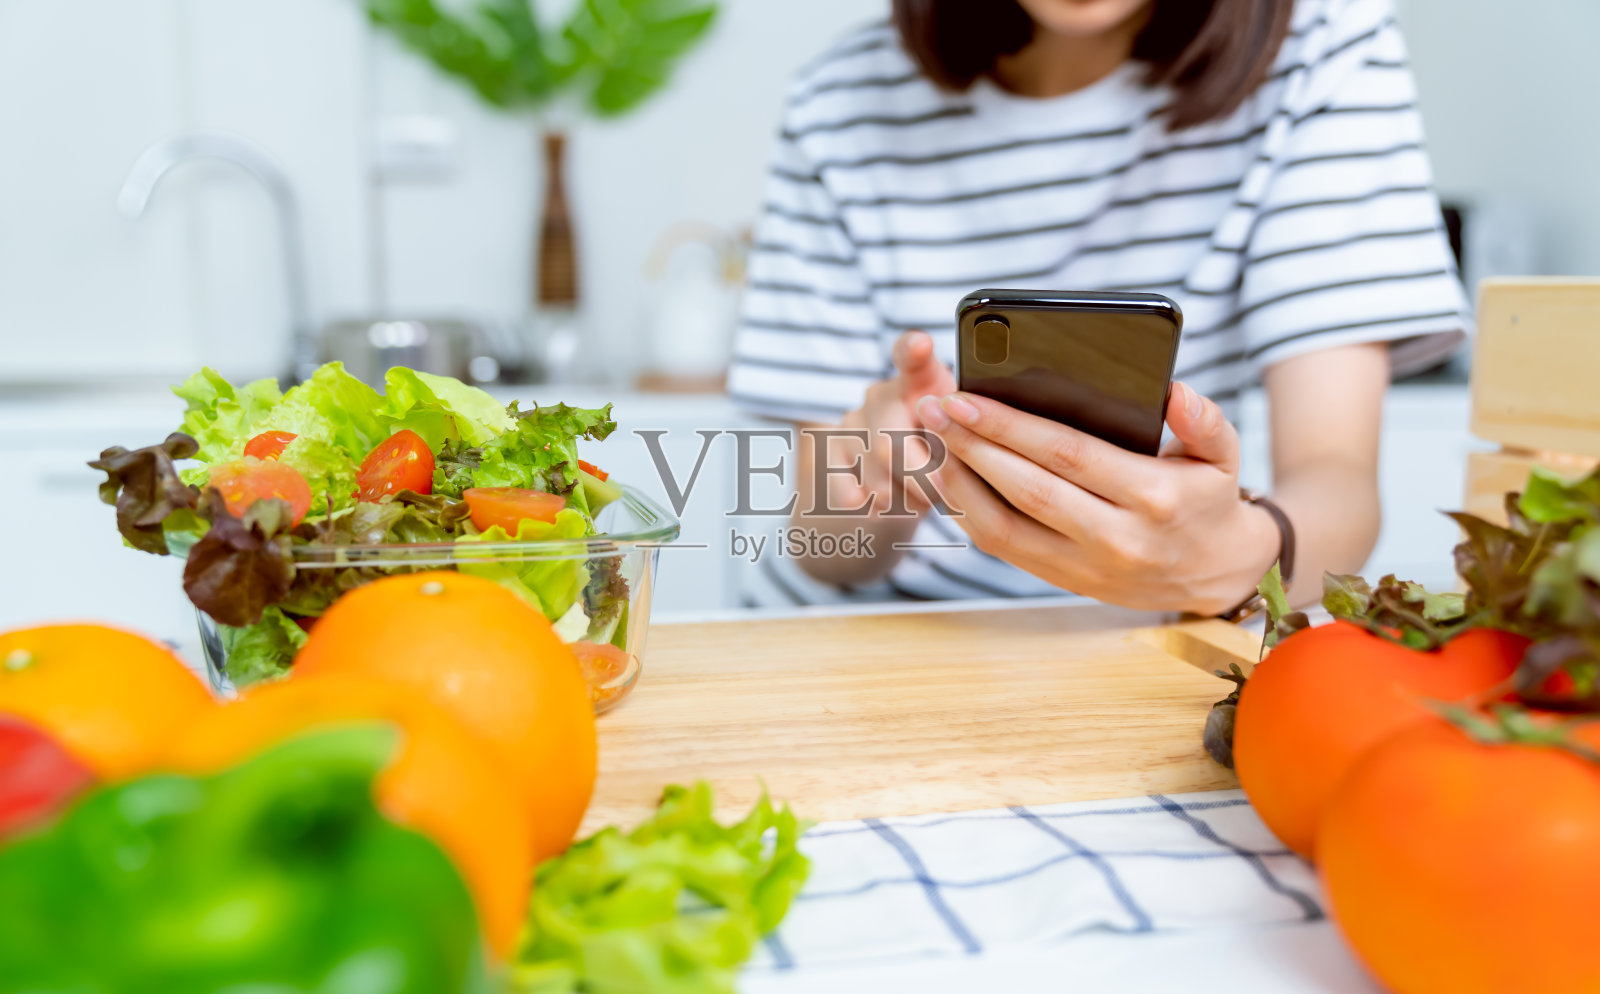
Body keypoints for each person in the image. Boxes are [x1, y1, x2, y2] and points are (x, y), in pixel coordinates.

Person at [727, 0, 1464, 613]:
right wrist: (876, 490)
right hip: (861, 649)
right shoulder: (838, 101)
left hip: (1144, 646)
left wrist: (1241, 556)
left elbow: (1337, 484)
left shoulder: (1326, 49)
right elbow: (826, 553)